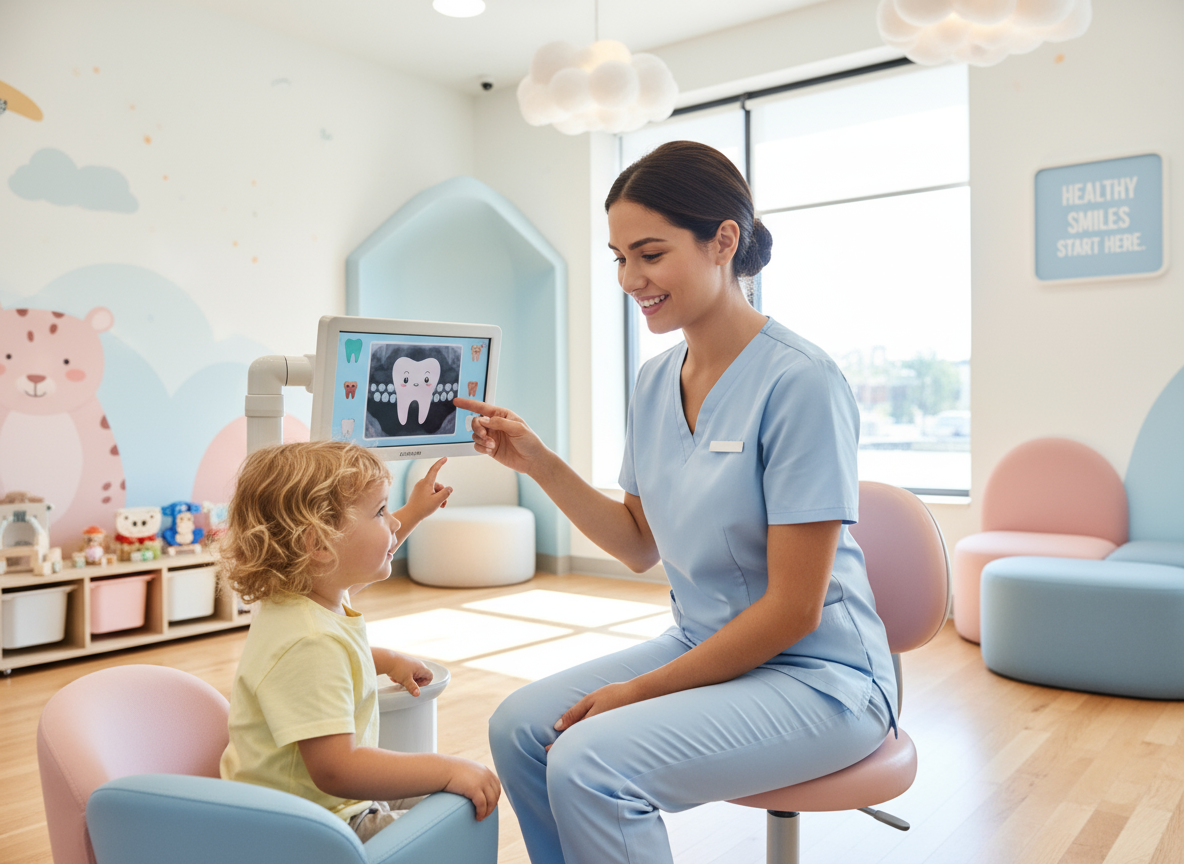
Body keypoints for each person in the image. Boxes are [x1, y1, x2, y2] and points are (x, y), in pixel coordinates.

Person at [454, 140, 898, 864]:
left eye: (650, 254)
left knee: (592, 764)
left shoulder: (802, 382)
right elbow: (637, 544)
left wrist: (640, 690)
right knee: (518, 728)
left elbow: (794, 610)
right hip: (704, 644)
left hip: (823, 679)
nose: (631, 278)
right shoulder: (655, 382)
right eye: (619, 258)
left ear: (724, 240)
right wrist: (535, 461)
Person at [217, 441, 501, 842]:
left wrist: (384, 659)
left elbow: (336, 646)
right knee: (461, 816)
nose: (393, 524)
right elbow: (338, 769)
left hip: (307, 807)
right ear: (317, 545)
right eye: (380, 512)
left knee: (452, 800)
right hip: (310, 827)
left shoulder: (304, 599)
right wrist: (446, 767)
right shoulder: (309, 640)